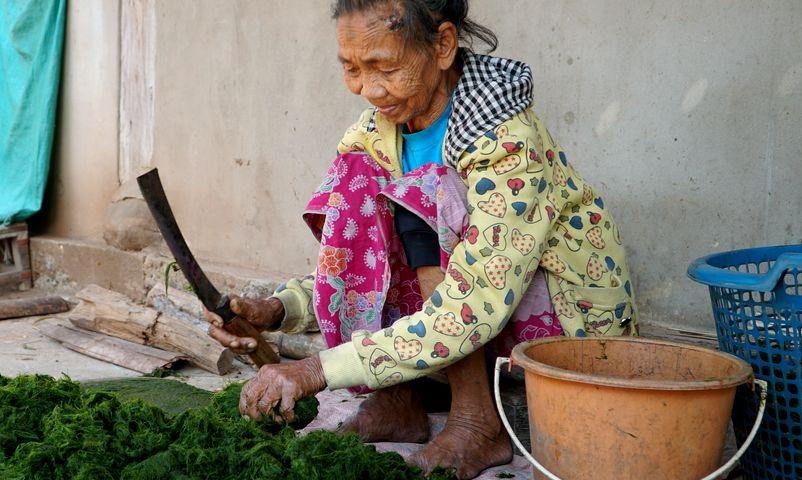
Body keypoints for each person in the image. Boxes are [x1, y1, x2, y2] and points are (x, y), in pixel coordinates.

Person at [206, 0, 637, 477]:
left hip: (552, 334)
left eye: (384, 67)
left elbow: (474, 300)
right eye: (352, 69)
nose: (369, 89)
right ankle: (399, 399)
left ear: (444, 46)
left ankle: (478, 422)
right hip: (458, 327)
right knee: (357, 175)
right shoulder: (378, 134)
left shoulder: (507, 142)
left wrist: (315, 370)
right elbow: (365, 264)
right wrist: (278, 309)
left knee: (423, 194)